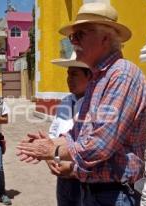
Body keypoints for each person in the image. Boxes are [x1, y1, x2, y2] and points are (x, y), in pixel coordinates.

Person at [17, 2, 146, 206]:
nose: (73, 41)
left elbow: (100, 144)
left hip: (115, 195)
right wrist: (55, 143)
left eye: (80, 35)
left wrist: (52, 150)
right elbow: (79, 133)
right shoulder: (99, 79)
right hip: (97, 192)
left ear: (105, 37)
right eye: (72, 36)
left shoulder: (122, 74)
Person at [48, 54, 91, 206]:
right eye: (68, 74)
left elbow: (92, 147)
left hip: (85, 181)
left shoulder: (95, 105)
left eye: (74, 74)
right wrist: (50, 157)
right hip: (63, 179)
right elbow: (53, 133)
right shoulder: (65, 102)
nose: (68, 79)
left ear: (89, 76)